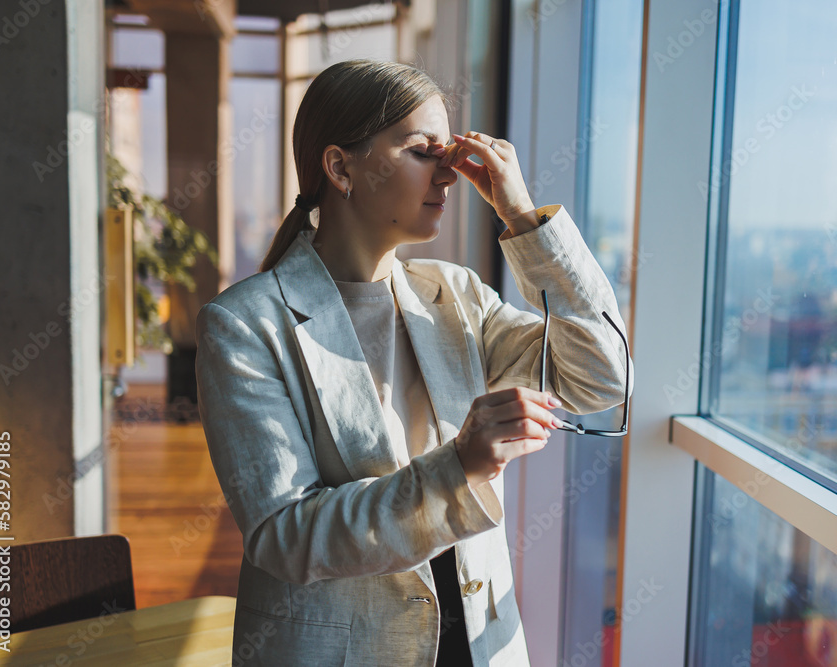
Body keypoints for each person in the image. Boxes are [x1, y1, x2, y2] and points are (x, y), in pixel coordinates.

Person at [195, 58, 631, 666]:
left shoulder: (456, 295)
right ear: (340, 167)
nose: (449, 175)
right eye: (425, 152)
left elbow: (601, 378)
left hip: (479, 644)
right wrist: (459, 465)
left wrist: (523, 218)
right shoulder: (244, 324)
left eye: (449, 154)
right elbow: (284, 536)